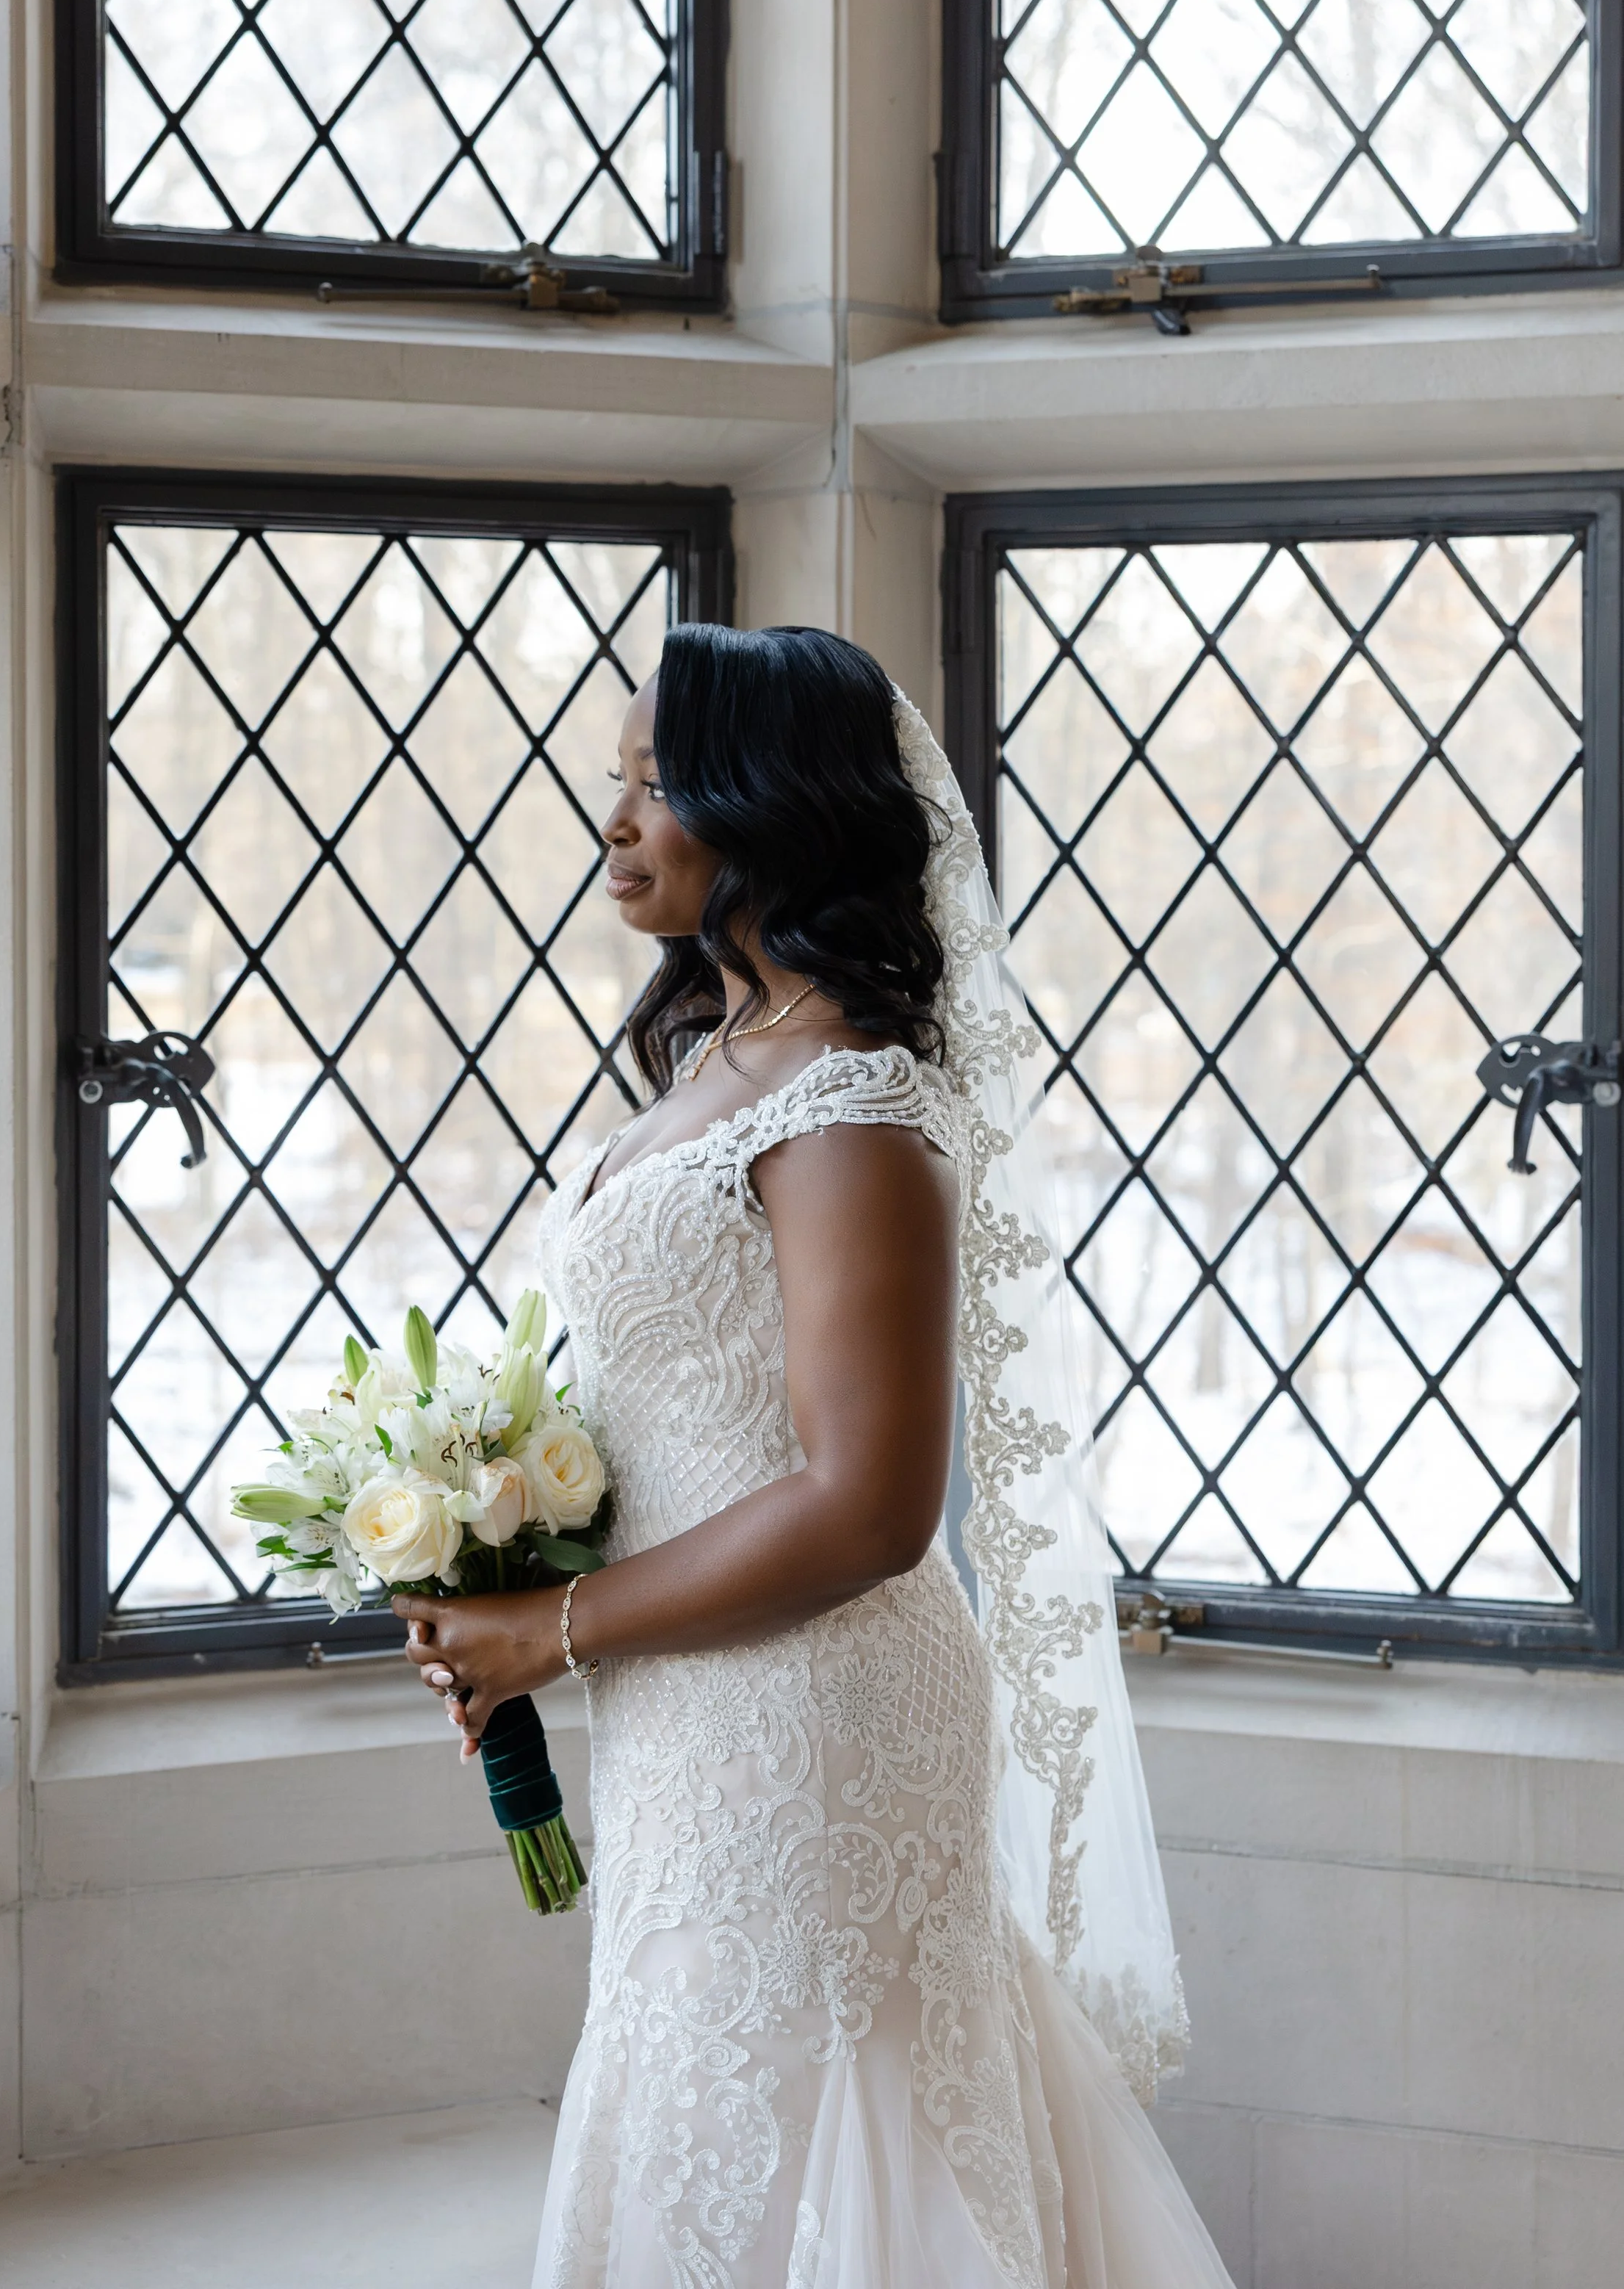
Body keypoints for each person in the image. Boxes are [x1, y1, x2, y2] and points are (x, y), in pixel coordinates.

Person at [403, 625, 1234, 2288]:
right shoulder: (720, 1060)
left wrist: (551, 1631)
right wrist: (508, 1556)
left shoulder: (845, 1102)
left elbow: (865, 1503)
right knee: (719, 2126)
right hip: (698, 1705)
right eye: (617, 785)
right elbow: (698, 1413)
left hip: (816, 1718)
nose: (616, 821)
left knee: (816, 2132)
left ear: (764, 802)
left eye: (655, 786)